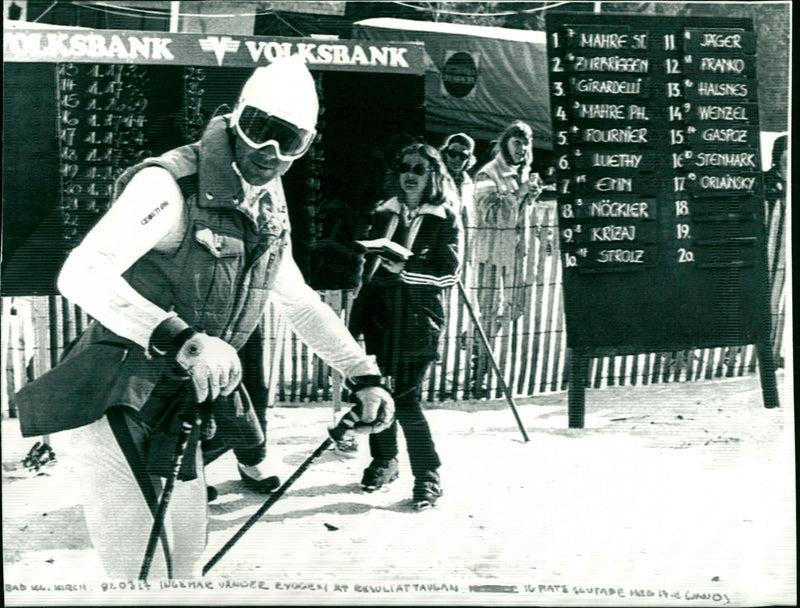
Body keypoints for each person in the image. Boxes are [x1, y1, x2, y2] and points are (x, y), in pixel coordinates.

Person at [14, 55, 394, 580]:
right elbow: (80, 273)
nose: (270, 153)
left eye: (290, 141)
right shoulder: (172, 184)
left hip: (182, 404)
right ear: (238, 118)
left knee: (185, 566)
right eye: (261, 130)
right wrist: (184, 340)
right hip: (119, 391)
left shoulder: (266, 205)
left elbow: (299, 301)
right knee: (135, 575)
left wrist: (363, 375)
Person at [348, 142, 461, 510]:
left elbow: (449, 274)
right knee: (379, 393)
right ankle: (385, 460)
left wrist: (407, 270)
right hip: (381, 318)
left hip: (418, 321)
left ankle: (428, 474)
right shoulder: (384, 212)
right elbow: (367, 273)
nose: (409, 175)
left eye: (419, 169)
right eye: (404, 167)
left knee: (407, 401)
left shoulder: (445, 217)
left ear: (434, 175)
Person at [470, 120, 544, 396]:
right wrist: (518, 194)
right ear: (505, 143)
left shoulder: (522, 173)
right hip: (489, 255)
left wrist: (530, 195)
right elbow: (488, 214)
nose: (522, 148)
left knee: (515, 309)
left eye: (526, 143)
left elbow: (523, 216)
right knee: (488, 313)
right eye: (517, 142)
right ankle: (479, 376)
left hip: (515, 255)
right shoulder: (488, 174)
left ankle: (475, 337)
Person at [439, 132, 477, 273]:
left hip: (459, 238)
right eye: (453, 153)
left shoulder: (468, 183)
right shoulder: (437, 177)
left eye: (463, 156)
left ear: (468, 159)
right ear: (445, 153)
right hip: (439, 237)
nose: (456, 159)